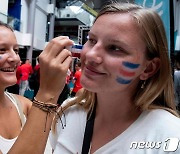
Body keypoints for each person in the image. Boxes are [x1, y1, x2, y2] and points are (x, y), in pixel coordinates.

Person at [4, 2, 180, 154]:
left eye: (115, 48)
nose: (90, 55)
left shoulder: (170, 133)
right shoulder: (69, 113)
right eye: (92, 40)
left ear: (148, 68)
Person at [0, 21, 32, 153]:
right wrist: (47, 92)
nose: (15, 58)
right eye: (2, 49)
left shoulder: (23, 105)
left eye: (16, 50)